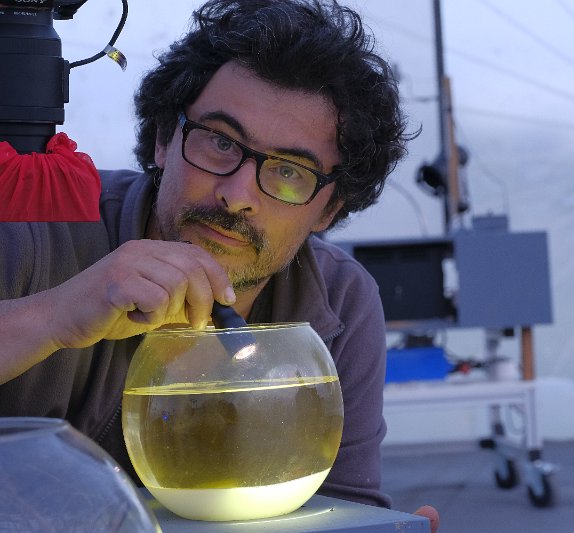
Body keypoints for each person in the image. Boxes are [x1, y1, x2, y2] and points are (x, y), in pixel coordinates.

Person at [0, 0, 438, 530]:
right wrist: (52, 315)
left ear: (329, 209)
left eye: (290, 172)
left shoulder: (341, 302)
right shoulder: (33, 229)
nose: (237, 195)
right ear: (164, 139)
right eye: (221, 142)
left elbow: (341, 508)